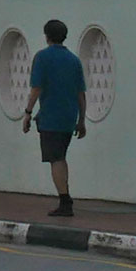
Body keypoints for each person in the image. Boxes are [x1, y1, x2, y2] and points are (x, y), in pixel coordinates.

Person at [23, 17, 88, 217]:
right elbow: (81, 93)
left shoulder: (42, 58)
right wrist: (82, 120)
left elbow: (36, 88)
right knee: (60, 155)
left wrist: (28, 112)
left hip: (51, 117)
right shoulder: (74, 60)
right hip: (69, 117)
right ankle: (64, 197)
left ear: (47, 36)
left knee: (56, 158)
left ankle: (65, 200)